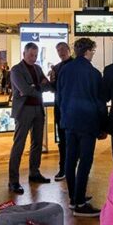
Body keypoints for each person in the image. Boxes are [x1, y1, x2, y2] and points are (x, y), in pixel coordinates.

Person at [57, 37, 107, 217]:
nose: (93, 53)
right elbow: (99, 102)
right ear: (88, 51)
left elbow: (59, 97)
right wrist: (103, 125)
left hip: (69, 121)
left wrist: (63, 118)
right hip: (87, 122)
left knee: (70, 160)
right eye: (92, 50)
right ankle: (79, 203)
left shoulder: (65, 69)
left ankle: (74, 198)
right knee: (85, 161)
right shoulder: (93, 73)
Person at [8, 42, 51, 195]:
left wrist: (34, 86)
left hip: (38, 110)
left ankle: (34, 173)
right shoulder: (16, 70)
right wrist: (37, 86)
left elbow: (47, 87)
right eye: (30, 55)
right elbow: (24, 89)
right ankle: (13, 181)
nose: (33, 58)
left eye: (35, 55)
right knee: (19, 145)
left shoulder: (38, 68)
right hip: (23, 110)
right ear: (24, 54)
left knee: (37, 143)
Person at [48, 41, 73, 181]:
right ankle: (63, 168)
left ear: (69, 50)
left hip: (73, 109)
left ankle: (72, 167)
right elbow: (54, 89)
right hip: (60, 109)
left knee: (74, 139)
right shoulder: (56, 68)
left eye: (63, 49)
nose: (61, 52)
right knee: (62, 140)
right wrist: (49, 83)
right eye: (58, 50)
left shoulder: (76, 65)